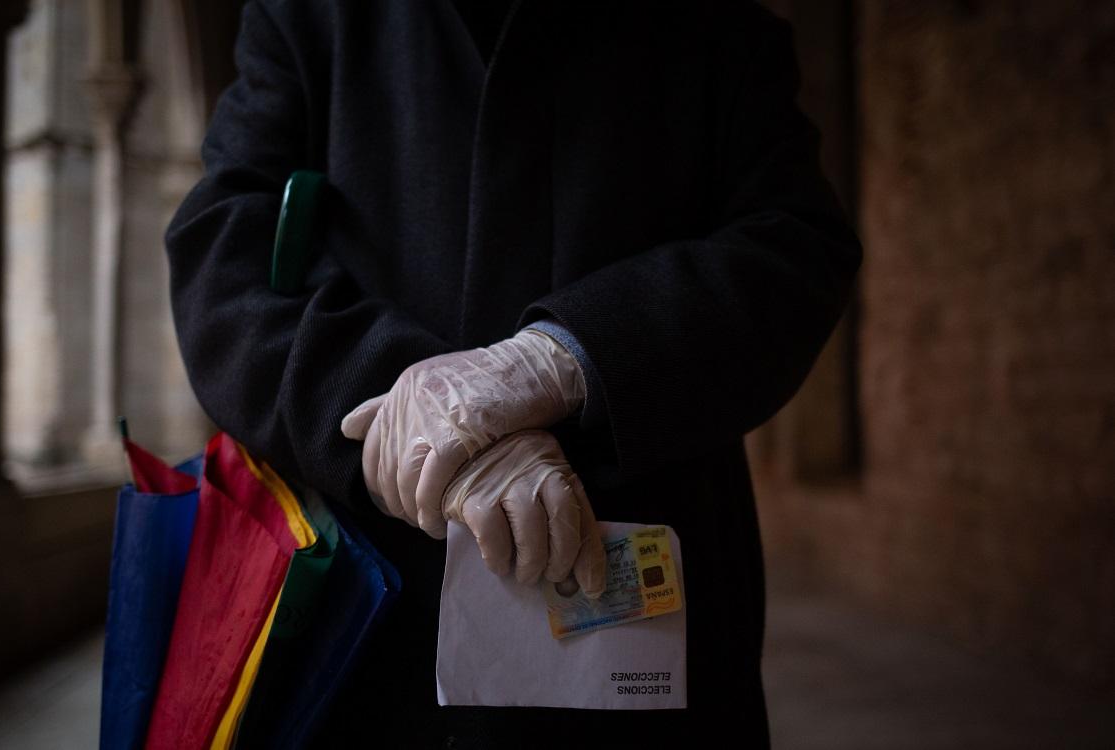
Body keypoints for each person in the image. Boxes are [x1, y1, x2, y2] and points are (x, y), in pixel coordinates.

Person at [166, 0, 861, 746]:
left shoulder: (722, 28)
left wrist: (558, 361)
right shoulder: (307, 16)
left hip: (643, 610)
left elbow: (795, 252)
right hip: (372, 618)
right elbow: (223, 266)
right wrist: (426, 412)